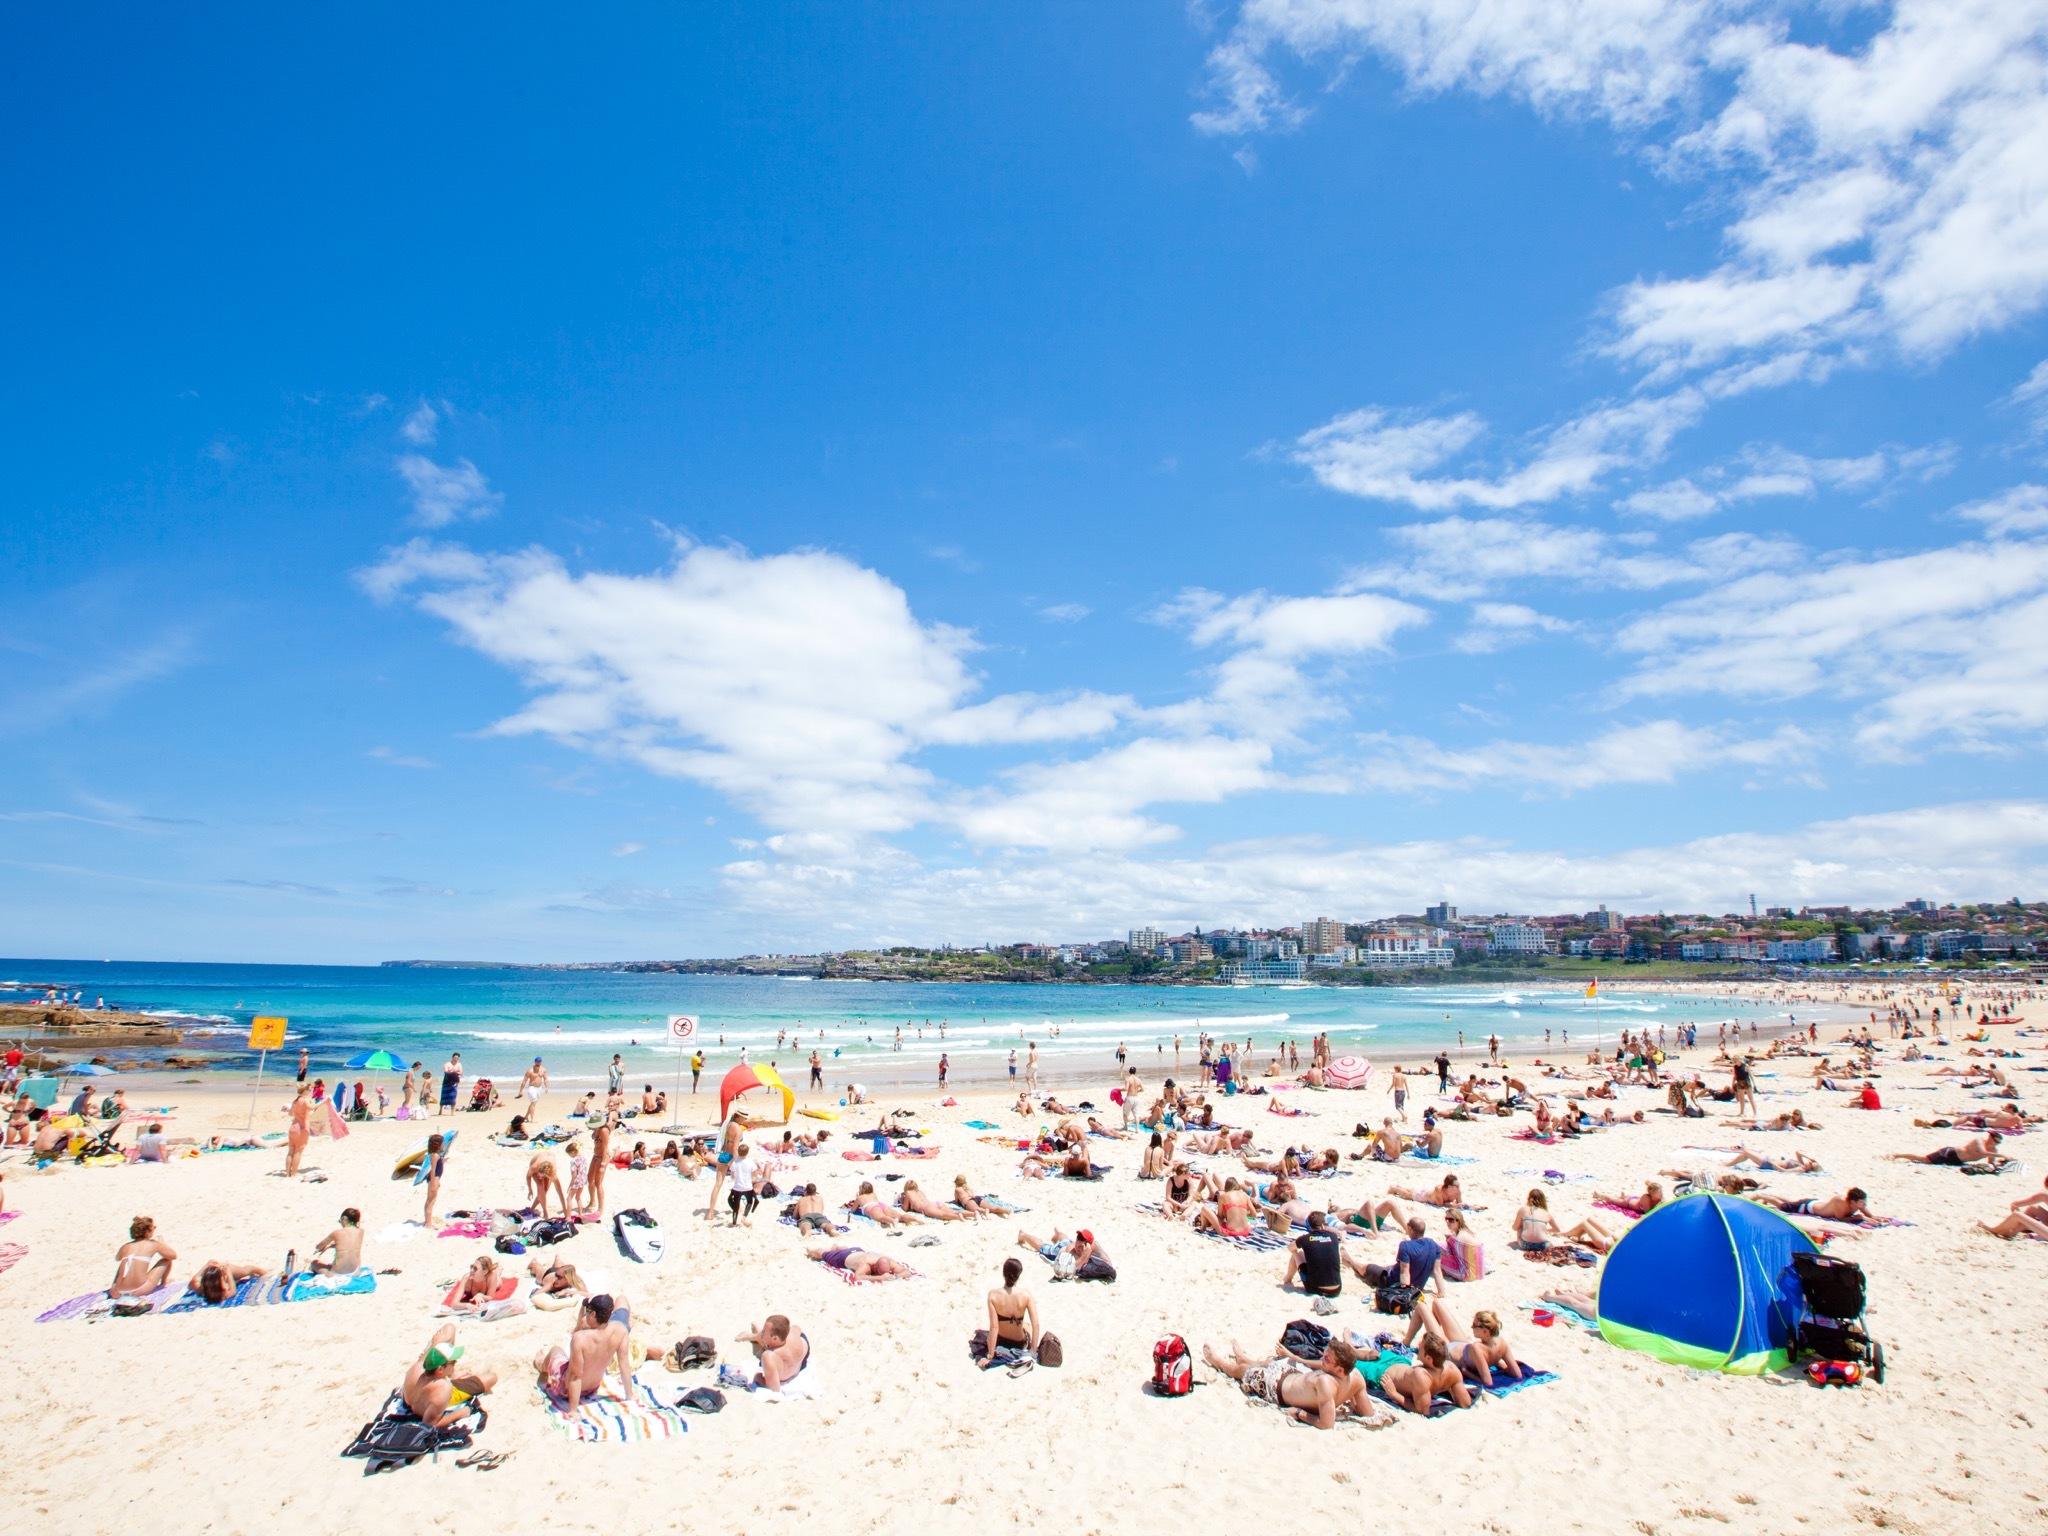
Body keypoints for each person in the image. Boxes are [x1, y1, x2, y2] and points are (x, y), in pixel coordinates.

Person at [1202, 1336, 1365, 1429]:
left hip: (1278, 1388)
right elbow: (1368, 1413)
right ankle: (1246, 1358)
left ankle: (1220, 1364)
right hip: (1296, 1375)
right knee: (1273, 1362)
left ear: (1340, 1370)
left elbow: (1326, 1423)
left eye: (1327, 1359)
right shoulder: (1355, 1376)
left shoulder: (1326, 1383)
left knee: (1244, 1371)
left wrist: (1299, 1414)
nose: (1322, 1359)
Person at [536, 1293, 637, 1419]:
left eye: (587, 1311)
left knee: (555, 1351)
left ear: (593, 1314)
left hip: (565, 1390)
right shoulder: (621, 1330)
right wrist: (629, 1395)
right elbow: (624, 1364)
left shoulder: (581, 1338)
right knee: (565, 1360)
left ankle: (541, 1364)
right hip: (593, 1388)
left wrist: (573, 1410)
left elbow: (575, 1375)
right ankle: (543, 1362)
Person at [406, 1325, 499, 1427]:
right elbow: (429, 1423)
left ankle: (451, 1375)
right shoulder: (444, 1388)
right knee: (491, 1378)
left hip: (419, 1397)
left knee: (449, 1328)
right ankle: (452, 1377)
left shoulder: (416, 1368)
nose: (456, 1362)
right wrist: (461, 1413)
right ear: (440, 1369)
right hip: (429, 1405)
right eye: (453, 1362)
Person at [1377, 1332, 1472, 1414]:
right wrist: (1449, 1386)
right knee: (1376, 1353)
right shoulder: (1452, 1369)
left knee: (1366, 1357)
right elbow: (1466, 1403)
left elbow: (1422, 1410)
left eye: (1421, 1347)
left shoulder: (1422, 1376)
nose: (1418, 1346)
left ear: (1429, 1359)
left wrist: (1394, 1394)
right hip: (1400, 1361)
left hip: (1379, 1373)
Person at [981, 1255, 1041, 1366]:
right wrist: (1033, 1351)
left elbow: (994, 1328)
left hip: (1001, 1341)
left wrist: (990, 1355)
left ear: (1003, 1274)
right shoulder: (1026, 1295)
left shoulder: (993, 1295)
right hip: (1019, 1343)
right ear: (1019, 1276)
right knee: (1026, 1326)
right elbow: (1036, 1325)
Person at [1512, 1189, 1616, 1253]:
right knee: (1589, 1219)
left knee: (1522, 1223)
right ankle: (1575, 1235)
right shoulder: (1547, 1213)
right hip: (1543, 1244)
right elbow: (1556, 1229)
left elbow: (1514, 1228)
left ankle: (1566, 1234)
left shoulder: (1523, 1209)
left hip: (1525, 1244)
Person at [738, 1314, 811, 1390]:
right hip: (802, 1353)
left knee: (767, 1349)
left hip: (788, 1369)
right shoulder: (791, 1333)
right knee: (771, 1338)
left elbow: (774, 1388)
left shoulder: (769, 1356)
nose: (762, 1332)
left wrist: (758, 1378)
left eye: (764, 1331)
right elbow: (797, 1327)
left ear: (775, 1338)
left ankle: (753, 1336)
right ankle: (756, 1336)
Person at [1283, 1210, 1343, 1298]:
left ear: (1310, 1226)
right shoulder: (1333, 1237)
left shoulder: (1305, 1239)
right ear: (1323, 1225)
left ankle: (1287, 1279)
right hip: (1337, 1288)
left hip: (1316, 1288)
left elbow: (1290, 1248)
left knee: (1297, 1252)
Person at [111, 1215, 175, 1297]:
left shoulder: (125, 1246)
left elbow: (117, 1258)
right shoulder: (153, 1244)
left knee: (125, 1261)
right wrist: (162, 1244)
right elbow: (173, 1256)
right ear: (148, 1231)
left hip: (116, 1292)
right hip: (138, 1290)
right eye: (153, 1228)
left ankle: (121, 1288)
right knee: (166, 1260)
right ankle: (163, 1283)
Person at [1756, 1187, 1878, 1223]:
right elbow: (1839, 1218)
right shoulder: (1841, 1203)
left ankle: (1770, 1195)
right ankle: (1761, 1196)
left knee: (1793, 1202)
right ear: (1852, 1202)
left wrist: (1873, 1218)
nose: (1863, 1205)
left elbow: (1866, 1213)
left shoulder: (1857, 1204)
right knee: (1782, 1206)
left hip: (1814, 1203)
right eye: (1861, 1203)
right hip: (1808, 1208)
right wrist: (1859, 1218)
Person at [805, 1241, 914, 1280]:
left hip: (857, 1251)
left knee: (845, 1249)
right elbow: (858, 1277)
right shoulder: (866, 1264)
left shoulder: (888, 1261)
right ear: (875, 1267)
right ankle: (810, 1251)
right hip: (843, 1258)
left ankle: (838, 1246)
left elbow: (906, 1272)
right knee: (822, 1254)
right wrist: (881, 1277)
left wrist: (895, 1276)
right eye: (879, 1272)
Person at [1890, 1133, 2004, 1167]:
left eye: (1998, 1142)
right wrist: (2003, 1156)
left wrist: (1998, 1164)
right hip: (1950, 1153)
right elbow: (1982, 1152)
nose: (1997, 1144)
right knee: (1924, 1159)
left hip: (1958, 1161)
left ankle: (1898, 1155)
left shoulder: (1993, 1150)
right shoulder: (1979, 1141)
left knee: (1925, 1161)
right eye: (1996, 1141)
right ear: (1990, 1138)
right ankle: (1897, 1155)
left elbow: (1991, 1163)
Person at [310, 1207, 364, 1274]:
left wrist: (326, 1245)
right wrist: (330, 1245)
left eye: (340, 1221)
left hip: (338, 1274)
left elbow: (318, 1246)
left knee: (314, 1263)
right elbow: (348, 1245)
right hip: (354, 1271)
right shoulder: (361, 1232)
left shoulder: (336, 1233)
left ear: (344, 1219)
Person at [526, 1150, 567, 1218]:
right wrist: (530, 1189)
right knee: (540, 1186)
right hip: (538, 1160)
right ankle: (545, 1211)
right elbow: (528, 1176)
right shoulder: (534, 1167)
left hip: (549, 1164)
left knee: (545, 1191)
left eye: (542, 1176)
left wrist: (566, 1213)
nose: (540, 1177)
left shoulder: (553, 1174)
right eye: (540, 1175)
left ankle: (532, 1208)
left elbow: (560, 1193)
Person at [727, 1140, 758, 1226]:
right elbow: (755, 1174)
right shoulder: (750, 1162)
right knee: (749, 1201)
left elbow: (732, 1176)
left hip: (737, 1187)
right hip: (747, 1186)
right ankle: (744, 1216)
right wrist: (752, 1180)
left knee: (734, 1203)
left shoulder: (735, 1163)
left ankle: (734, 1221)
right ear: (747, 1152)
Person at [285, 1084, 312, 1178]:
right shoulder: (304, 1100)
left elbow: (290, 1113)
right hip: (302, 1128)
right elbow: (312, 1107)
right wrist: (325, 1101)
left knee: (290, 1151)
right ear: (305, 1091)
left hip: (293, 1127)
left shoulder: (295, 1101)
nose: (310, 1091)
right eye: (309, 1090)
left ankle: (287, 1173)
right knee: (298, 1151)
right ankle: (293, 1173)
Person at [422, 1132, 448, 1230]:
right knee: (430, 1200)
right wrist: (433, 1182)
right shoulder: (434, 1155)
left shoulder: (436, 1155)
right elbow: (433, 1170)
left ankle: (428, 1221)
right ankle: (428, 1223)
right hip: (434, 1178)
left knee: (432, 1200)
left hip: (436, 1178)